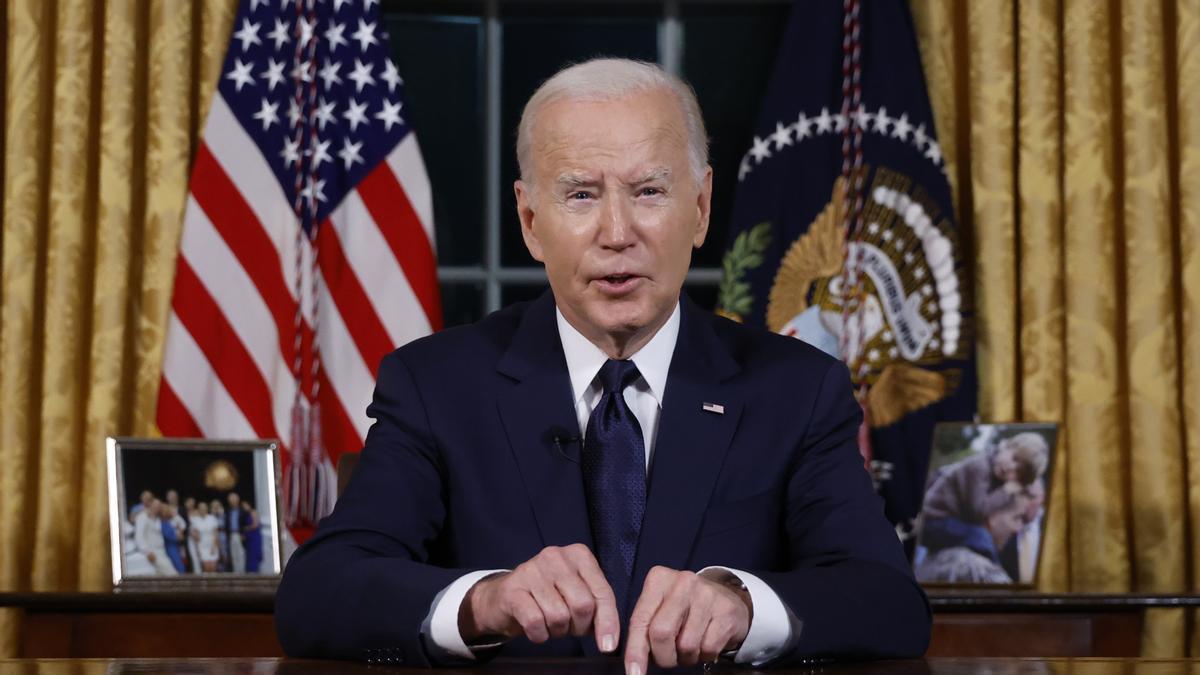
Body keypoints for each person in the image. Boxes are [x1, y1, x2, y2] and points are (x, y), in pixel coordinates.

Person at [276, 58, 928, 670]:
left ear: (700, 208)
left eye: (648, 190)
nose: (618, 231)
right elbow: (319, 590)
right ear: (530, 220)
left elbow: (887, 600)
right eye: (582, 195)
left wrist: (743, 602)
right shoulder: (436, 386)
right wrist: (485, 601)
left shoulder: (796, 389)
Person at [134, 499, 179, 577]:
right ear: (151, 505)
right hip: (152, 552)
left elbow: (173, 518)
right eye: (155, 505)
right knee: (173, 574)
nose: (157, 508)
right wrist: (147, 552)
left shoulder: (158, 519)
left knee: (160, 577)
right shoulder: (142, 517)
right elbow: (139, 536)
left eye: (159, 506)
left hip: (162, 551)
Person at [226, 492, 247, 573]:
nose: (232, 501)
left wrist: (244, 534)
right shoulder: (228, 511)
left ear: (238, 500)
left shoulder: (242, 511)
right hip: (231, 534)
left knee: (241, 554)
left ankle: (241, 572)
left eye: (234, 499)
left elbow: (246, 523)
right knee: (233, 554)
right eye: (231, 499)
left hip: (240, 534)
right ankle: (236, 572)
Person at [242, 501, 264, 574]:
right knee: (249, 555)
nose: (244, 508)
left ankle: (254, 571)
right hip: (249, 538)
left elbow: (256, 524)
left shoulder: (253, 512)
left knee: (254, 554)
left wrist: (246, 528)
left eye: (245, 505)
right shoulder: (246, 514)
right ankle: (250, 572)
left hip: (254, 537)